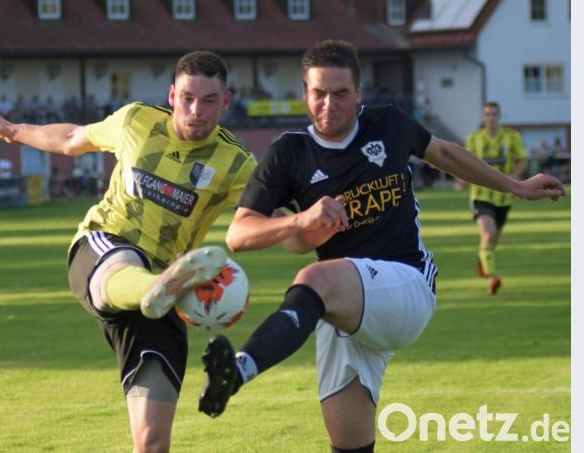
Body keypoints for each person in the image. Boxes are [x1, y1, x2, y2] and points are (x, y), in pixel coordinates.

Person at [197, 40, 564, 452]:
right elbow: (239, 235)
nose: (329, 104)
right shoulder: (288, 153)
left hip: (406, 285)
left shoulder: (388, 124)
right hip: (342, 305)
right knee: (349, 442)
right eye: (319, 93)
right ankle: (241, 373)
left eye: (341, 93)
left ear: (359, 93)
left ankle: (238, 371)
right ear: (304, 93)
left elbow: (445, 153)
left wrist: (515, 186)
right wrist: (301, 220)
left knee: (313, 277)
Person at [0, 50, 256, 452]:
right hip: (104, 246)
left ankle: (159, 286)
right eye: (188, 98)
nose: (196, 110)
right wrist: (13, 129)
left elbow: (271, 217)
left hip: (162, 292)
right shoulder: (136, 120)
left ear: (226, 101)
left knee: (152, 442)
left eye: (209, 101)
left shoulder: (237, 163)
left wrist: (305, 222)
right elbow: (72, 139)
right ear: (171, 95)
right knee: (125, 266)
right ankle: (156, 286)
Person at [465, 102, 527, 294]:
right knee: (488, 233)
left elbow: (522, 160)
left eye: (494, 114)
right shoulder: (474, 139)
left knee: (492, 241)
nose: (491, 118)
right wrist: (462, 177)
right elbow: (464, 162)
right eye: (487, 114)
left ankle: (482, 262)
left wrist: (513, 178)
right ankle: (492, 278)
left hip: (504, 197)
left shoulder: (512, 137)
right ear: (483, 117)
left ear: (500, 116)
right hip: (480, 195)